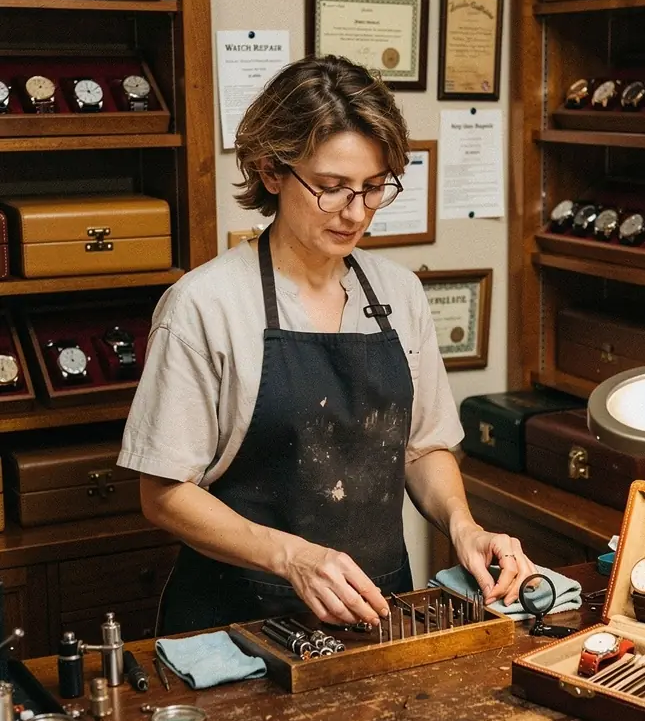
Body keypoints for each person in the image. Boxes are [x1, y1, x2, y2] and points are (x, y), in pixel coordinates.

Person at [120, 54, 535, 636]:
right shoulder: (204, 305)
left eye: (372, 189)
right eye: (332, 188)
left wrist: (463, 527)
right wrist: (294, 558)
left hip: (375, 609)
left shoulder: (400, 294)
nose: (356, 212)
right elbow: (162, 492)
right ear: (270, 170)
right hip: (238, 621)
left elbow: (423, 449)